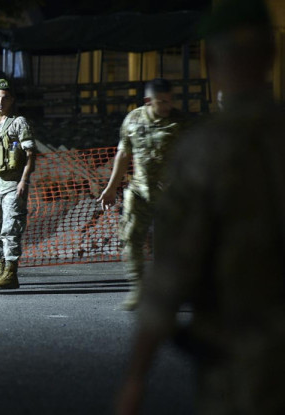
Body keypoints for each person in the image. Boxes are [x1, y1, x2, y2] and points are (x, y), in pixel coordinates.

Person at [117, 1, 285, 413]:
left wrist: (136, 377)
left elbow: (173, 269)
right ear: (273, 54)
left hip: (240, 363)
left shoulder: (206, 149)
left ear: (209, 57)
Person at [97, 77, 186, 310]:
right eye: (162, 101)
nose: (167, 106)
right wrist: (111, 187)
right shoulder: (133, 120)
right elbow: (123, 155)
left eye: (170, 100)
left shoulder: (180, 123)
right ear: (148, 100)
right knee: (132, 238)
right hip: (139, 190)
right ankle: (139, 290)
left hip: (171, 193)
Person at [0, 79, 36, 289]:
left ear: (11, 99)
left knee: (10, 227)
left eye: (5, 97)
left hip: (12, 183)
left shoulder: (19, 123)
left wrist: (24, 180)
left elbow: (30, 155)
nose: (0, 102)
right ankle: (0, 269)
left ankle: (11, 272)